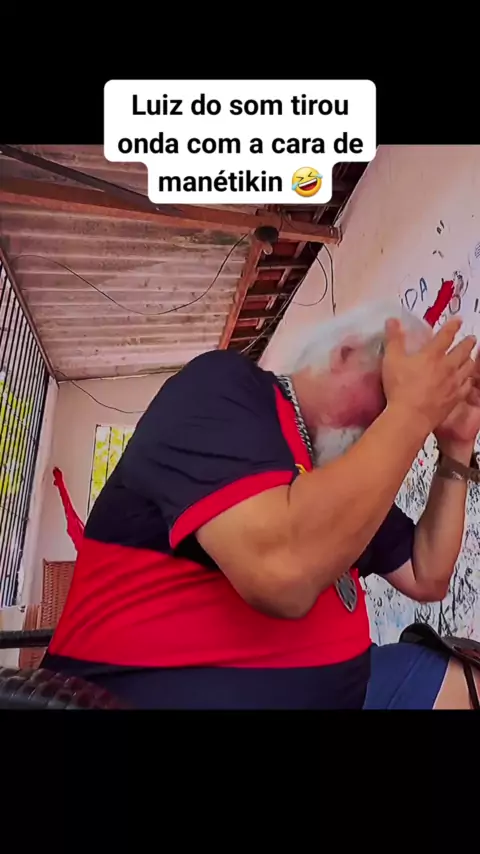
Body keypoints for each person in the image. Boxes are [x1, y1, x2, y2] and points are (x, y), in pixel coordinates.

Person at [42, 302, 480, 709]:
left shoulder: (343, 470)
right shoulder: (222, 389)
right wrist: (409, 414)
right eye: (391, 391)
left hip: (351, 692)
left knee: (463, 676)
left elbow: (427, 573)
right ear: (345, 354)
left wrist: (457, 446)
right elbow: (281, 572)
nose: (392, 423)